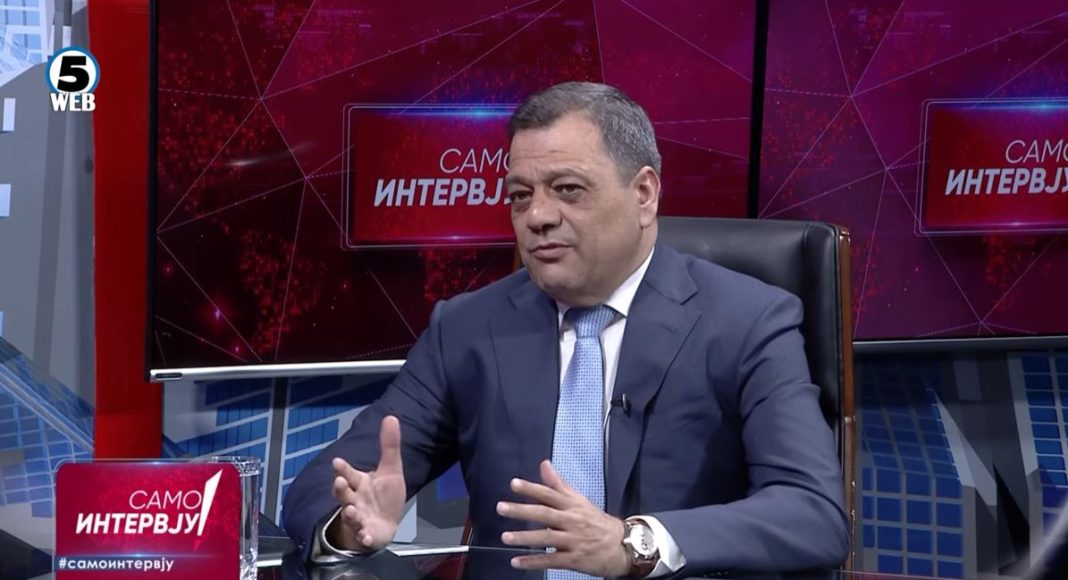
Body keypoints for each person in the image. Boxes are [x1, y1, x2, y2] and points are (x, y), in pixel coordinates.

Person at [283, 81, 849, 578]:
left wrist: (634, 544)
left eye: (568, 189)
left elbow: (812, 513)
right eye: (520, 196)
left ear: (644, 194)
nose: (537, 217)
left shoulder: (748, 320)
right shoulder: (468, 328)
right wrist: (347, 523)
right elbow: (319, 487)